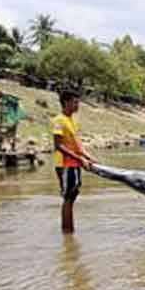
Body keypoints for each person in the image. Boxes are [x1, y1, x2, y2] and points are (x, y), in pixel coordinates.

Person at [52, 90, 97, 233]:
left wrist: (87, 156)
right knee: (68, 198)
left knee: (73, 196)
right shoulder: (59, 120)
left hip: (74, 164)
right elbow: (59, 146)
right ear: (66, 102)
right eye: (75, 102)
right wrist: (80, 158)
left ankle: (69, 235)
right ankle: (67, 232)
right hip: (65, 165)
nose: (78, 105)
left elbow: (76, 143)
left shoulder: (72, 120)